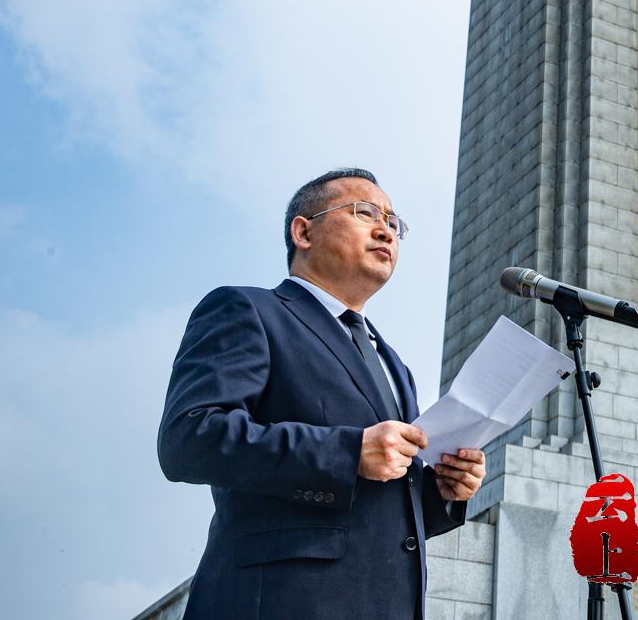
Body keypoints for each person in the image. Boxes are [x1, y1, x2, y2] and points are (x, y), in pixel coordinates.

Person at [158, 167, 485, 620]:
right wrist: (349, 452)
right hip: (278, 602)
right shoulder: (248, 309)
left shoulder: (395, 365)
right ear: (303, 231)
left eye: (394, 222)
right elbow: (188, 439)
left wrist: (443, 491)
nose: (384, 229)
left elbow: (380, 514)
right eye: (364, 211)